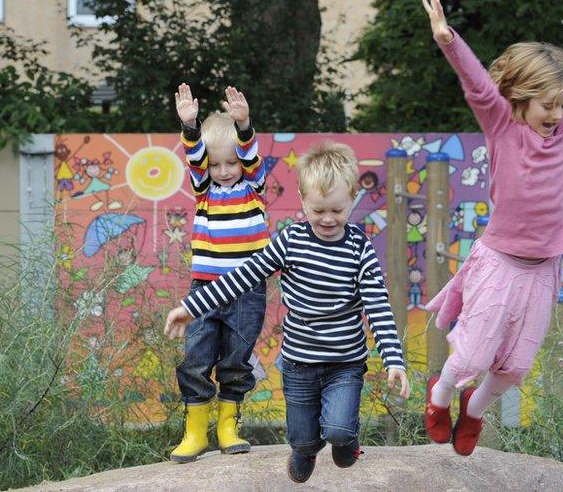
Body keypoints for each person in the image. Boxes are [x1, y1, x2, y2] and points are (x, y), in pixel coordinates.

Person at [420, 0, 563, 455]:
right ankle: (440, 396)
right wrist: (448, 41)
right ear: (519, 97)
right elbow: (478, 83)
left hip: (545, 267)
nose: (559, 113)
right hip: (499, 262)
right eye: (548, 105)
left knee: (514, 366)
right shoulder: (502, 125)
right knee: (472, 355)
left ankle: (473, 412)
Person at [164, 141, 409, 483]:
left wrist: (393, 359)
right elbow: (243, 276)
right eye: (318, 209)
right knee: (303, 438)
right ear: (303, 199)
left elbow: (377, 304)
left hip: (344, 363)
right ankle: (306, 448)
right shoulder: (291, 240)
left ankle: (346, 439)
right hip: (298, 363)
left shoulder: (359, 248)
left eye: (337, 211)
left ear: (353, 198)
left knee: (338, 430)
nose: (327, 219)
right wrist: (192, 307)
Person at [169, 83, 271, 463]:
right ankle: (195, 430)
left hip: (247, 290)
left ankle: (227, 425)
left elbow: (250, 154)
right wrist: (191, 126)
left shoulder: (253, 187)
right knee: (196, 357)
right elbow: (195, 157)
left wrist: (244, 125)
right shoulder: (204, 190)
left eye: (231, 163)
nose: (224, 171)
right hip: (205, 288)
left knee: (235, 358)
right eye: (216, 164)